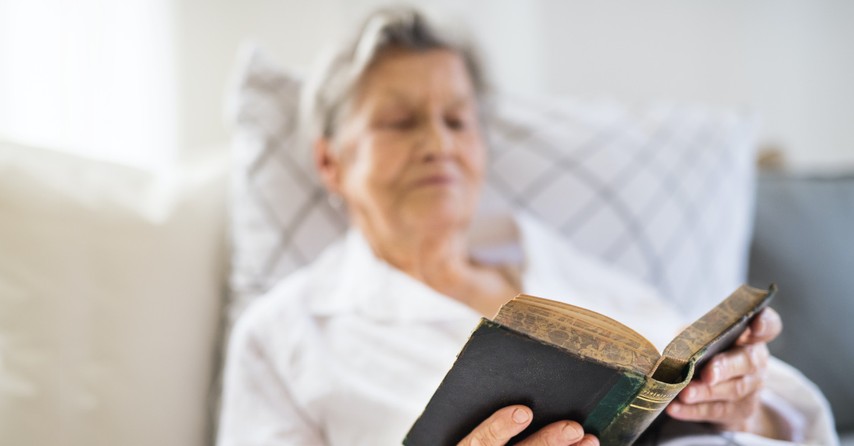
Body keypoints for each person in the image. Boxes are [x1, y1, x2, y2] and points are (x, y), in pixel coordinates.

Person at [218, 7, 837, 446]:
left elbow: (798, 421)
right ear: (331, 161)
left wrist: (748, 407)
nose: (438, 144)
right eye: (400, 122)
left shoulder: (577, 276)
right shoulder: (285, 334)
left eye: (458, 120)